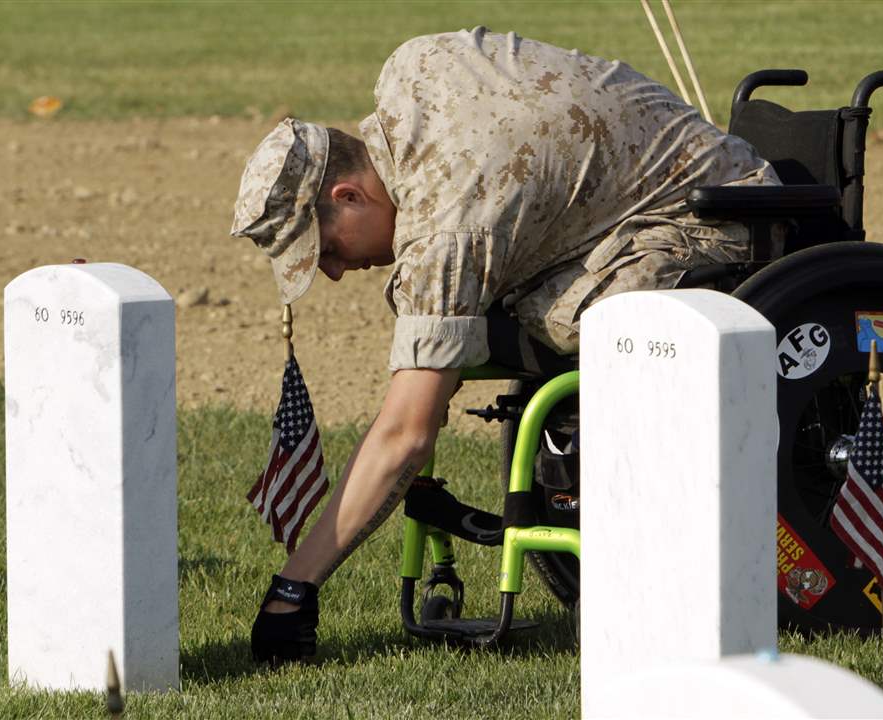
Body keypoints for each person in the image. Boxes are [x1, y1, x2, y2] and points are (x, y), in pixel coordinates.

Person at [231, 26, 779, 664]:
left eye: (324, 249)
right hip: (676, 178)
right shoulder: (411, 67)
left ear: (347, 195)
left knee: (552, 319)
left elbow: (407, 433)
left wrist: (294, 587)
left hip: (722, 217)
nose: (330, 271)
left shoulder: (447, 225)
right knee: (488, 312)